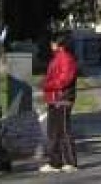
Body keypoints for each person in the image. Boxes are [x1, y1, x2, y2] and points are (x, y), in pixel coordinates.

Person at [40, 34, 78, 173]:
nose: (51, 45)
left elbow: (64, 80)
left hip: (62, 98)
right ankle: (55, 162)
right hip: (54, 98)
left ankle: (70, 162)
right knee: (53, 132)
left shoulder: (66, 58)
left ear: (59, 44)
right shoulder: (57, 58)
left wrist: (47, 85)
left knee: (63, 130)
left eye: (53, 42)